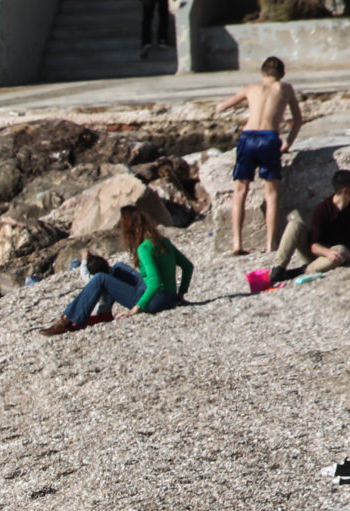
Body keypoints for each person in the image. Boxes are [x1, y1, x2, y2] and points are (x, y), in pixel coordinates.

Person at [39, 206, 192, 334]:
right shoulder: (164, 241)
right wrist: (180, 294)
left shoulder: (144, 248)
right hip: (169, 298)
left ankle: (67, 320)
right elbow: (187, 266)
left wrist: (136, 309)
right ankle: (104, 310)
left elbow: (155, 282)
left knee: (100, 278)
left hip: (155, 302)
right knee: (118, 267)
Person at [217, 57, 305, 255]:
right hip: (269, 138)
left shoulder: (251, 87)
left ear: (262, 73)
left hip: (247, 138)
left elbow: (222, 107)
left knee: (240, 191)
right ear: (282, 74)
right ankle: (270, 244)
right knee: (272, 193)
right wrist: (288, 142)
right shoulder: (286, 88)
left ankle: (237, 243)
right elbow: (298, 120)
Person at [276, 169, 350, 278]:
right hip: (318, 253)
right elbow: (314, 246)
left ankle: (303, 270)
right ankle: (278, 268)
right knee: (294, 225)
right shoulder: (323, 209)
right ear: (346, 191)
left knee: (341, 250)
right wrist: (328, 253)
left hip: (336, 255)